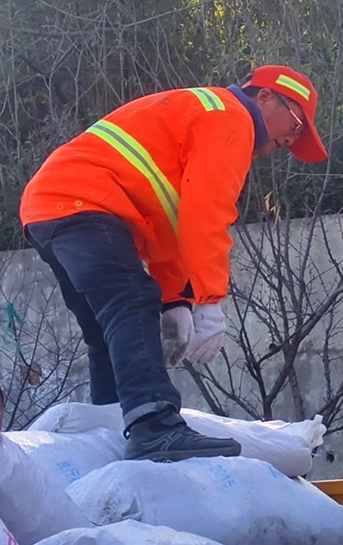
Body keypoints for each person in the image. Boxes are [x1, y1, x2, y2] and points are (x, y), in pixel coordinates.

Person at [20, 67, 326, 462]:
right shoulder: (230, 118)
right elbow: (206, 216)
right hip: (83, 201)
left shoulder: (205, 114)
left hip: (51, 208)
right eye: (297, 124)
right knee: (131, 301)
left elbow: (175, 222)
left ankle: (113, 424)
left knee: (105, 328)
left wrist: (176, 299)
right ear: (265, 97)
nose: (293, 140)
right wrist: (209, 301)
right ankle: (155, 427)